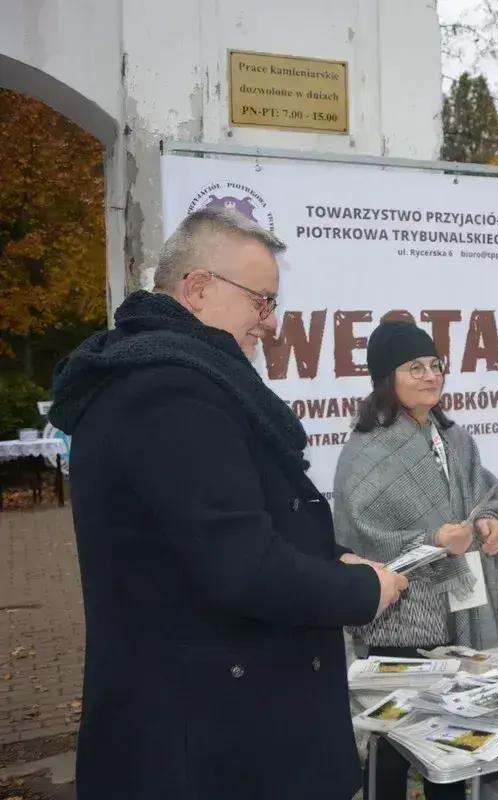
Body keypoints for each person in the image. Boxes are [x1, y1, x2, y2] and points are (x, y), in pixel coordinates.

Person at [48, 207, 407, 800]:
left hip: (217, 723)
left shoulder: (176, 381)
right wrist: (361, 592)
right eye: (261, 301)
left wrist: (331, 559)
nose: (268, 323)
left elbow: (229, 527)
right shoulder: (169, 394)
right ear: (197, 289)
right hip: (209, 745)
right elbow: (241, 566)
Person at [333, 320, 498, 800]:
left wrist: (489, 520)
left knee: (450, 737)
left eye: (436, 366)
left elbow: (485, 490)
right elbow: (359, 532)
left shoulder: (452, 436)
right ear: (387, 378)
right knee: (395, 736)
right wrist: (431, 537)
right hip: (401, 619)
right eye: (416, 368)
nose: (431, 376)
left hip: (457, 606)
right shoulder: (365, 450)